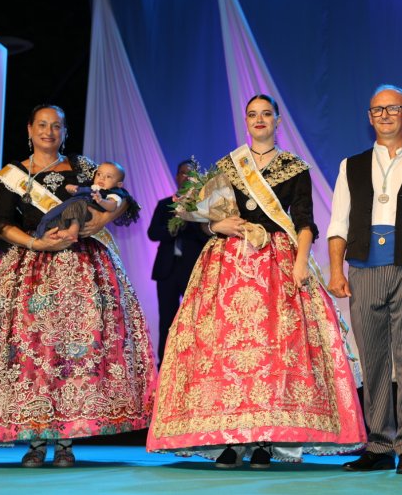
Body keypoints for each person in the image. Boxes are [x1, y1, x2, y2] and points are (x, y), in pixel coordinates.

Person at [146, 94, 366, 468]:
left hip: (277, 262)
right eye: (253, 115)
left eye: (267, 114)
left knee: (273, 351)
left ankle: (266, 440)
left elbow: (304, 221)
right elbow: (208, 218)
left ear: (278, 121)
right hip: (228, 262)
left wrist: (300, 261)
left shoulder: (294, 167)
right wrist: (216, 224)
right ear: (245, 121)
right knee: (222, 351)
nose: (260, 119)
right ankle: (227, 441)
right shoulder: (228, 166)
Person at [0, 105, 157, 467]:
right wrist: (37, 244)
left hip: (82, 270)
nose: (48, 131)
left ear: (64, 131)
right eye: (42, 125)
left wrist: (102, 217)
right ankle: (34, 439)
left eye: (55, 126)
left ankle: (65, 440)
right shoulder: (12, 175)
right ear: (29, 129)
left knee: (75, 355)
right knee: (33, 356)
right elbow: (0, 224)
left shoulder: (82, 168)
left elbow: (122, 195)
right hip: (30, 272)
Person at [326, 84, 402, 475]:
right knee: (374, 357)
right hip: (363, 268)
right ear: (369, 117)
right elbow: (338, 222)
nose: (385, 116)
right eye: (377, 110)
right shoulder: (352, 165)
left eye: (393, 109)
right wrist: (334, 269)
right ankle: (378, 444)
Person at [147, 160, 210, 363]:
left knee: (195, 318)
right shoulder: (165, 204)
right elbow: (152, 233)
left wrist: (188, 220)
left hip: (192, 270)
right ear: (176, 176)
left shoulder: (203, 206)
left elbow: (209, 237)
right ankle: (165, 363)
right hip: (167, 270)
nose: (186, 178)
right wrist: (172, 228)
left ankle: (194, 362)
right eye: (183, 173)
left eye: (191, 175)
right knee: (166, 319)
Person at [36, 160, 139, 240]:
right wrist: (72, 189)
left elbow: (113, 206)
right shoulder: (91, 185)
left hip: (90, 213)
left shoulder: (114, 192)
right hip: (77, 211)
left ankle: (73, 230)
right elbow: (79, 190)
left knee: (78, 204)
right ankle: (56, 232)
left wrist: (101, 201)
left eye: (108, 177)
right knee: (64, 211)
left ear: (119, 184)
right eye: (99, 174)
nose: (102, 178)